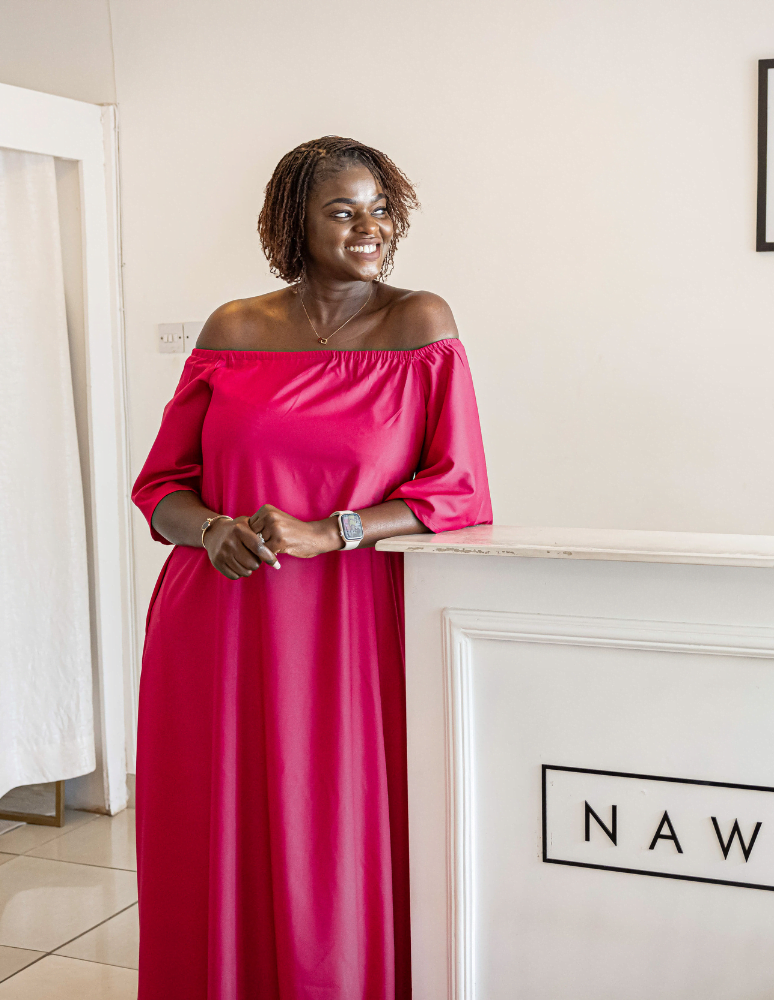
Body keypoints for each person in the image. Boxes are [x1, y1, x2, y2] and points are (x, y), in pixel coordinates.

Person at [131, 136, 491, 999]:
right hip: (218, 618)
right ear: (297, 221)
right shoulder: (235, 329)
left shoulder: (421, 324)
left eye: (380, 210)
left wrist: (333, 531)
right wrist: (212, 529)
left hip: (350, 623)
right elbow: (161, 487)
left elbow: (459, 490)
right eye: (343, 210)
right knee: (218, 830)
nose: (368, 228)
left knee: (335, 835)